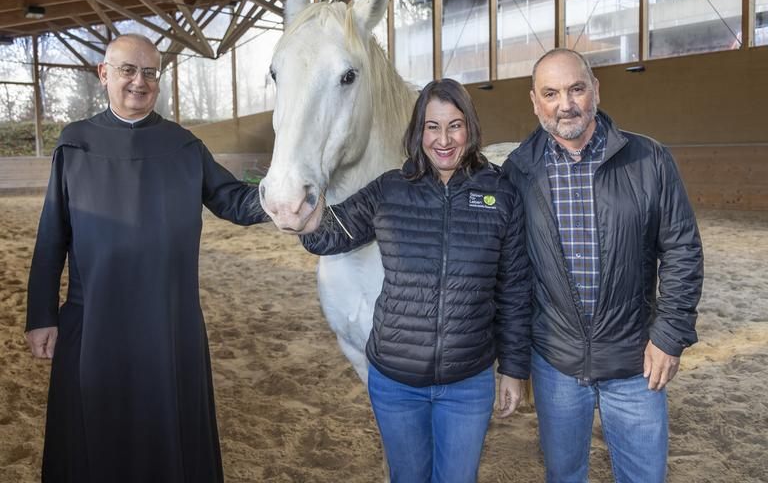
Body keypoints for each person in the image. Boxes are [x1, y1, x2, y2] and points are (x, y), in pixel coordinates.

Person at [25, 33, 268, 483]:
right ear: (103, 74)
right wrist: (41, 315)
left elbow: (233, 200)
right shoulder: (75, 144)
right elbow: (51, 236)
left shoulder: (184, 146)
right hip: (93, 317)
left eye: (150, 72)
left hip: (169, 321)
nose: (139, 81)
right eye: (128, 70)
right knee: (92, 433)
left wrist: (284, 198)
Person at [300, 79, 532, 483]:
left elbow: (514, 289)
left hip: (468, 383)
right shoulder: (390, 189)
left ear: (470, 128)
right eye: (432, 126)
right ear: (418, 131)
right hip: (396, 383)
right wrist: (302, 203)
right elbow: (327, 236)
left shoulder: (500, 194)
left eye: (455, 126)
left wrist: (513, 368)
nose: (443, 140)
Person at [502, 48, 704, 483]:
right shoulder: (517, 173)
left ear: (596, 89)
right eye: (551, 93)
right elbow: (513, 279)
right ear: (535, 102)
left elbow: (682, 251)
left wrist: (669, 337)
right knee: (564, 475)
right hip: (556, 364)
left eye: (576, 89)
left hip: (636, 361)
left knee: (643, 476)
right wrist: (515, 364)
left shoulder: (649, 159)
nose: (565, 104)